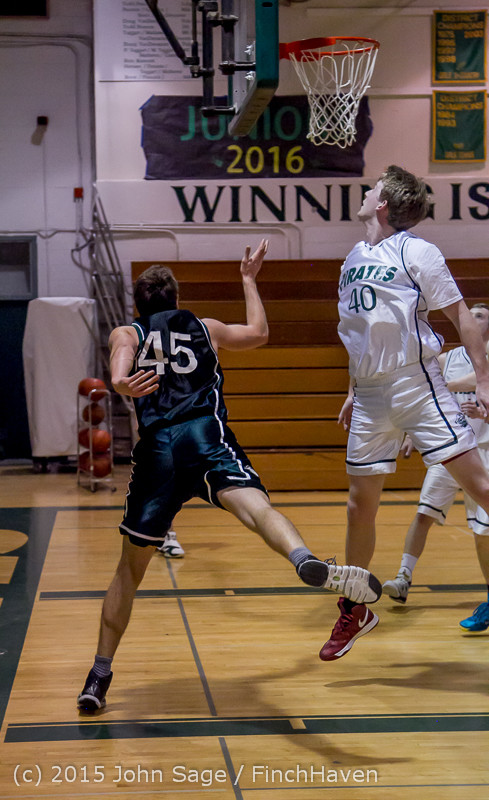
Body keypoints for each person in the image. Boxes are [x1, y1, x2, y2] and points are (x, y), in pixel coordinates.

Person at [77, 240, 382, 712]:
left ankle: (98, 676)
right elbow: (259, 333)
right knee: (257, 509)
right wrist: (248, 279)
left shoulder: (128, 331)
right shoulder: (204, 325)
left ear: (137, 304)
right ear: (176, 299)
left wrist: (120, 382)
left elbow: (119, 366)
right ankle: (302, 558)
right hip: (204, 434)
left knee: (129, 571)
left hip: (158, 450)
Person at [320, 164, 489, 662]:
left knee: (480, 488)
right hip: (371, 393)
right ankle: (355, 608)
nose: (367, 191)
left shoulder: (418, 250)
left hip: (417, 385)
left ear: (384, 205)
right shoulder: (354, 255)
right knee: (359, 505)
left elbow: (460, 315)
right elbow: (365, 328)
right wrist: (353, 387)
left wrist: (483, 379)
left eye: (373, 189)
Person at [383, 303, 489, 631]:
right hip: (451, 449)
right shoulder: (446, 358)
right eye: (471, 312)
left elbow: (448, 386)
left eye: (482, 314)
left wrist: (449, 390)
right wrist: (411, 435)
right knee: (424, 514)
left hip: (484, 452)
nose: (474, 316)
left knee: (483, 531)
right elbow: (425, 400)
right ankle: (403, 577)